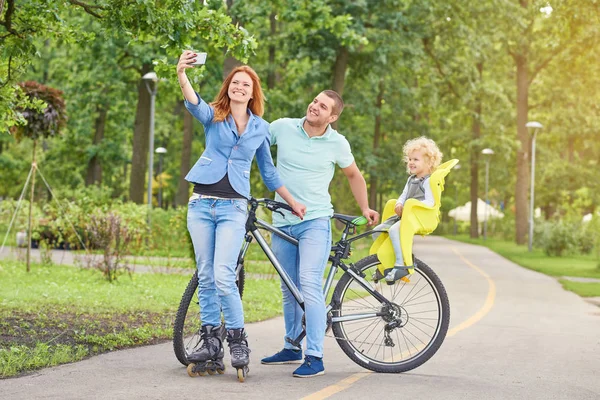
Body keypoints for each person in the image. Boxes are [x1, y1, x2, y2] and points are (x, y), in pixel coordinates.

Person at [176, 50, 306, 376]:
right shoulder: (214, 116)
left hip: (234, 206)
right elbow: (194, 103)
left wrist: (292, 201)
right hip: (202, 203)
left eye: (245, 84)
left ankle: (237, 338)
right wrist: (182, 74)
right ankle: (209, 340)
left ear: (253, 92)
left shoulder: (261, 128)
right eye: (235, 83)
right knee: (205, 273)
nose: (239, 87)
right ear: (229, 87)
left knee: (223, 273)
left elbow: (269, 172)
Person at [260, 90, 379, 378]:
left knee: (308, 283)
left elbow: (354, 175)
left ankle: (315, 356)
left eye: (322, 106)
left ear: (333, 116)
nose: (314, 106)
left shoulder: (337, 143)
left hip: (315, 221)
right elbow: (255, 137)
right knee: (289, 288)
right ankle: (291, 346)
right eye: (314, 101)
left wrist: (364, 207)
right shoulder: (282, 127)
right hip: (283, 220)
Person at [381, 136, 443, 283]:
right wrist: (399, 204)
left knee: (394, 230)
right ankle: (384, 264)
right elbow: (403, 195)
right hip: (405, 215)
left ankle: (400, 264)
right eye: (409, 159)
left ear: (428, 163)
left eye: (416, 159)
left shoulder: (428, 181)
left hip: (417, 217)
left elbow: (430, 202)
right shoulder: (411, 180)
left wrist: (412, 206)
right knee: (379, 230)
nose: (411, 162)